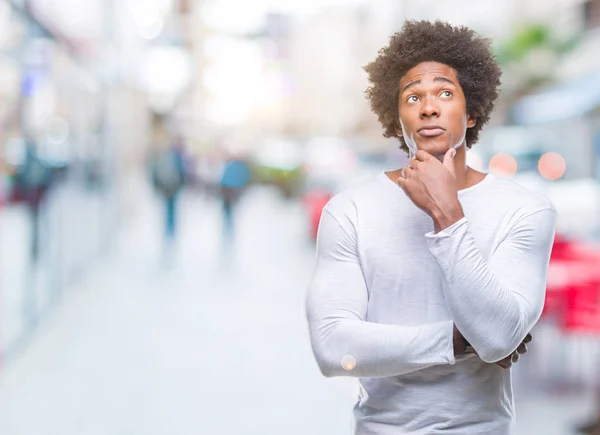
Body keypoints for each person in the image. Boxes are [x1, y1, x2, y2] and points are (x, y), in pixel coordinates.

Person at [305, 20, 557, 434]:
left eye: (444, 92)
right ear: (396, 116)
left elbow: (496, 338)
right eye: (412, 97)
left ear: (471, 111)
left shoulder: (526, 210)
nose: (429, 107)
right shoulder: (349, 209)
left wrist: (447, 214)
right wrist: (459, 342)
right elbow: (334, 349)